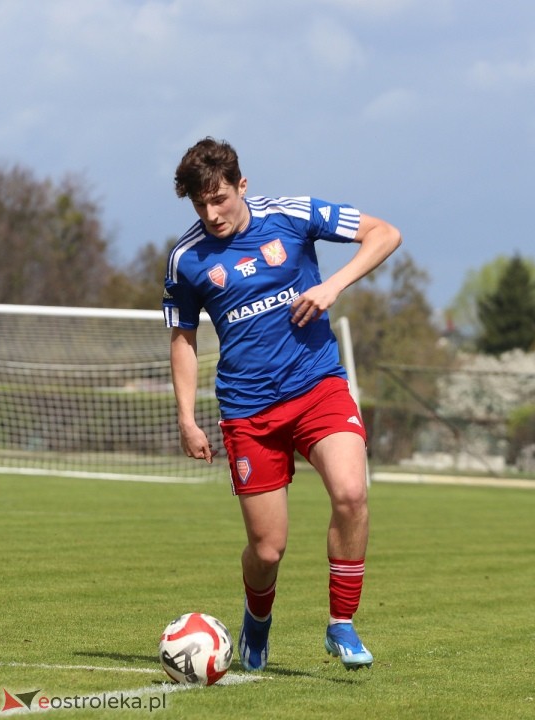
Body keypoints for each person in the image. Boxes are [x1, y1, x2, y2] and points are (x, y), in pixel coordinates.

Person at [164, 138, 401, 671]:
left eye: (219, 198)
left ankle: (341, 624)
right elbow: (182, 339)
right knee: (268, 549)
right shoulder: (187, 259)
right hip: (248, 409)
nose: (212, 213)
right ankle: (257, 618)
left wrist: (333, 285)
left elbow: (385, 234)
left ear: (241, 185)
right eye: (200, 204)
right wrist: (186, 418)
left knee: (350, 491)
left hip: (318, 387)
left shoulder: (293, 216)